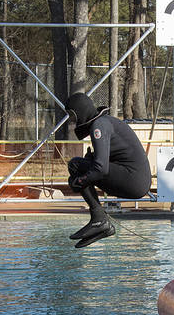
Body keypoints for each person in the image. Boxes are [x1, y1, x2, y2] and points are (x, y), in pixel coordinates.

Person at [64, 92, 152, 248]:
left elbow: (101, 168)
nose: (71, 120)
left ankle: (99, 220)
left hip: (134, 180)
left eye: (72, 115)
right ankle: (100, 222)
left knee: (75, 165)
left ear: (80, 112)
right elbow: (105, 161)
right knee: (83, 165)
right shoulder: (104, 122)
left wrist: (80, 181)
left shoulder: (99, 126)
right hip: (136, 179)